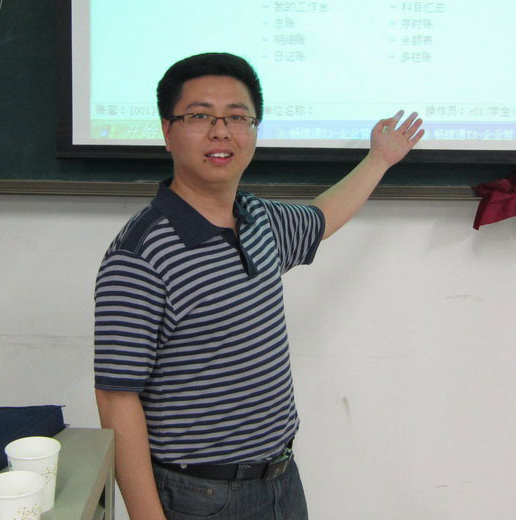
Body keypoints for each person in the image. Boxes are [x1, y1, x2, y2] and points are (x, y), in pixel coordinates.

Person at [94, 52, 424, 520]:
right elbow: (116, 398)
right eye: (200, 116)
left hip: (281, 480)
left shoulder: (258, 220)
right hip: (199, 495)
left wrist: (379, 160)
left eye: (237, 117)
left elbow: (322, 217)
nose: (221, 131)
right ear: (167, 131)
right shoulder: (140, 255)